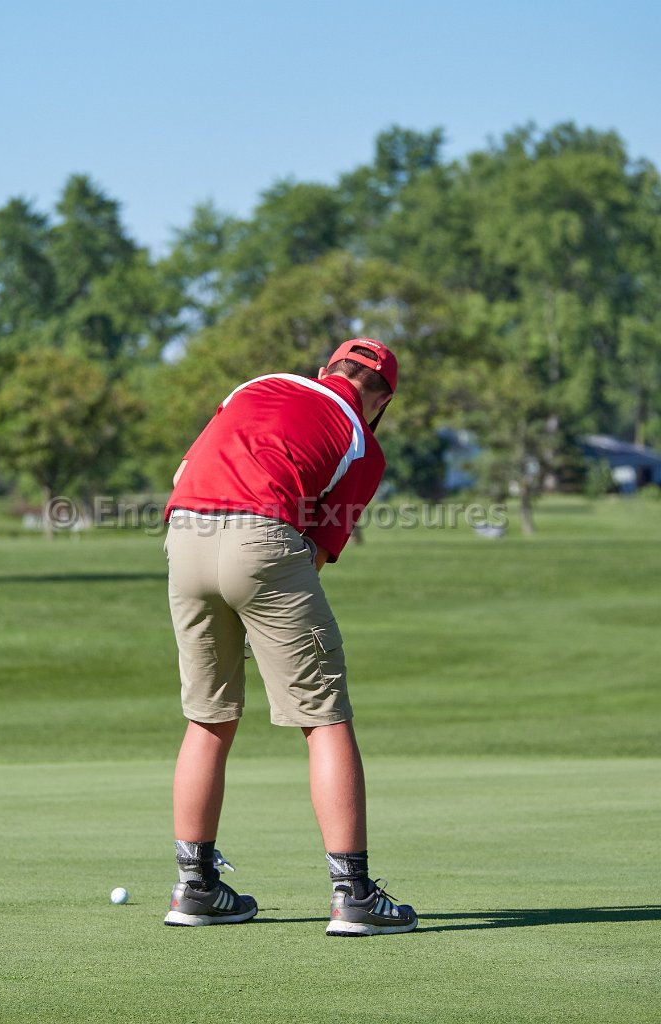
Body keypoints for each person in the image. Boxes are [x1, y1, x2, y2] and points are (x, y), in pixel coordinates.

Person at [162, 338, 418, 937]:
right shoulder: (361, 441)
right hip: (263, 539)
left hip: (185, 533)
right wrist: (268, 616)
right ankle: (353, 895)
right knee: (324, 717)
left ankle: (195, 888)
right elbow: (318, 550)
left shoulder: (255, 386)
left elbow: (184, 471)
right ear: (381, 401)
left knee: (208, 716)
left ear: (324, 370)